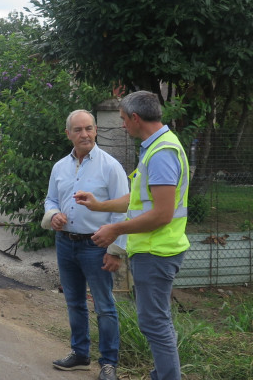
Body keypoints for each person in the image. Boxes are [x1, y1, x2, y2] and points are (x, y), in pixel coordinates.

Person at [75, 91, 191, 380]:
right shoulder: (156, 147)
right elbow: (137, 201)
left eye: (124, 119)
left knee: (154, 322)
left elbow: (162, 214)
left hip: (157, 251)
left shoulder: (162, 153)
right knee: (157, 320)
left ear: (136, 118)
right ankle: (162, 374)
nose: (123, 125)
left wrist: (115, 229)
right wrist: (100, 205)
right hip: (155, 249)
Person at [43, 110, 128, 380]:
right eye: (78, 130)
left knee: (104, 306)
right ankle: (80, 354)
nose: (84, 134)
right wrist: (53, 215)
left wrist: (116, 251)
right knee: (75, 302)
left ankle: (108, 363)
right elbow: (50, 200)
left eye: (89, 129)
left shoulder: (110, 166)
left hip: (96, 246)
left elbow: (123, 211)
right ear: (68, 134)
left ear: (96, 130)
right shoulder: (60, 167)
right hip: (66, 243)